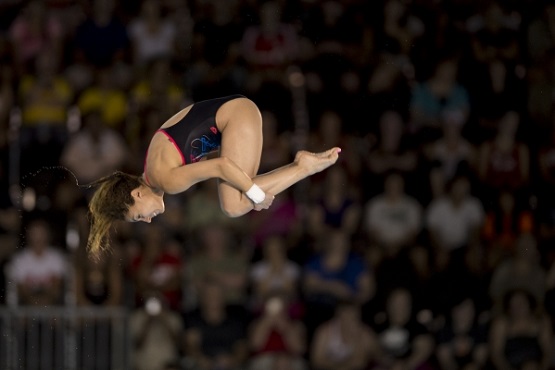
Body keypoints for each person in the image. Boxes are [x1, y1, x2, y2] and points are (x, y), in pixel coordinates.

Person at [86, 95, 340, 256]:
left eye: (139, 215)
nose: (148, 221)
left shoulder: (167, 181)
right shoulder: (153, 169)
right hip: (231, 115)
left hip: (236, 116)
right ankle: (301, 167)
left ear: (137, 193)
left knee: (235, 204)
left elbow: (221, 165)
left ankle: (303, 167)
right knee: (235, 199)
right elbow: (194, 138)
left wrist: (256, 195)